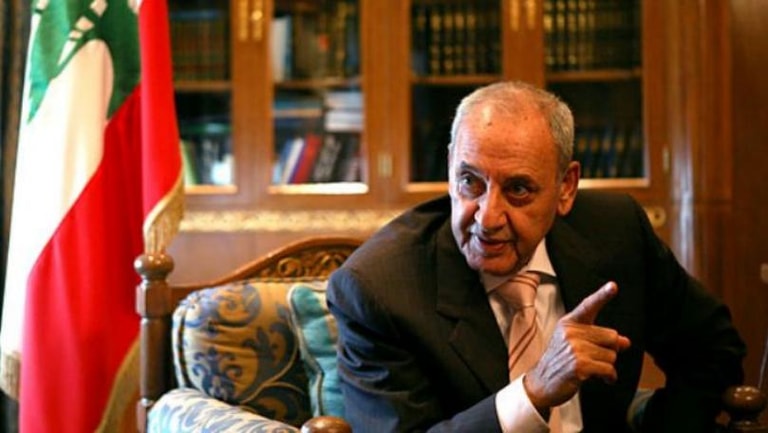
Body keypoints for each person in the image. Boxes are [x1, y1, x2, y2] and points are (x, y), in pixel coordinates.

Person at [326, 81, 746, 432]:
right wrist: (533, 392)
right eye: (470, 181)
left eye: (518, 189)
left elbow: (713, 350)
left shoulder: (616, 233)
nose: (487, 218)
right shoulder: (379, 288)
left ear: (566, 187)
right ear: (451, 166)